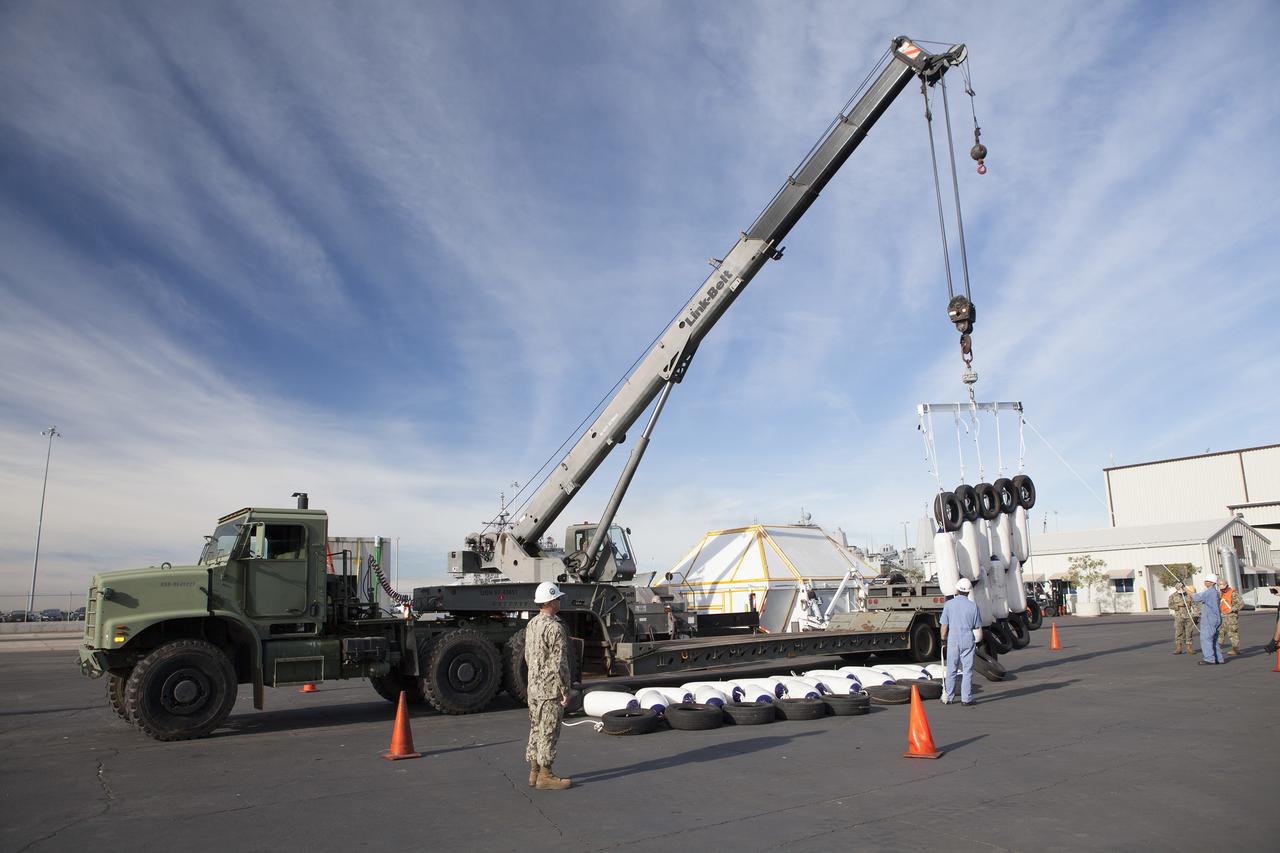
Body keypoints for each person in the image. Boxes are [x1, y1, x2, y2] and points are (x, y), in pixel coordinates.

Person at [524, 581, 572, 790]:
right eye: (558, 598)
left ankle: (534, 772)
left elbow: (527, 656)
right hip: (550, 690)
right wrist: (565, 690)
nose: (560, 601)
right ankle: (546, 775)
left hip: (533, 688)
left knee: (536, 728)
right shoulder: (555, 628)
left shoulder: (532, 624)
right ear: (551, 601)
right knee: (549, 731)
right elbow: (559, 663)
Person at [940, 577, 983, 707]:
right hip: (967, 638)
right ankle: (966, 698)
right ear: (969, 592)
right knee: (967, 670)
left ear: (957, 590)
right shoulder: (973, 606)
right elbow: (976, 626)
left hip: (953, 638)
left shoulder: (948, 605)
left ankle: (949, 697)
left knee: (952, 669)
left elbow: (944, 625)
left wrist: (943, 639)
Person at [1192, 575, 1224, 664]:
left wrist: (1186, 589)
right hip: (1216, 618)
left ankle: (1209, 659)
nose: (1205, 582)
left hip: (1210, 619)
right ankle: (1218, 658)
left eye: (1207, 581)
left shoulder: (1210, 592)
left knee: (1206, 639)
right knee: (1214, 639)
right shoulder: (1215, 592)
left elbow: (1196, 598)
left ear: (1212, 583)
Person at [1167, 583, 1198, 655]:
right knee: (1179, 632)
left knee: (1189, 632)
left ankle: (1189, 648)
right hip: (1179, 617)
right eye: (1180, 587)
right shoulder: (1173, 596)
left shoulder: (1188, 595)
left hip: (1189, 616)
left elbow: (1194, 605)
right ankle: (1178, 648)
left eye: (1182, 587)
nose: (1181, 588)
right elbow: (1170, 605)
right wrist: (1178, 605)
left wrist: (1196, 615)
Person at [1217, 579, 1243, 656]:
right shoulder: (1220, 593)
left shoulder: (1233, 593)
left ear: (1226, 585)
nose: (1222, 589)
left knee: (1232, 633)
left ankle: (1235, 649)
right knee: (1220, 633)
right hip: (1222, 616)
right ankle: (1217, 648)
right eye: (1220, 587)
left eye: (1223, 586)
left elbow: (1241, 604)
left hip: (1231, 616)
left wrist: (1231, 610)